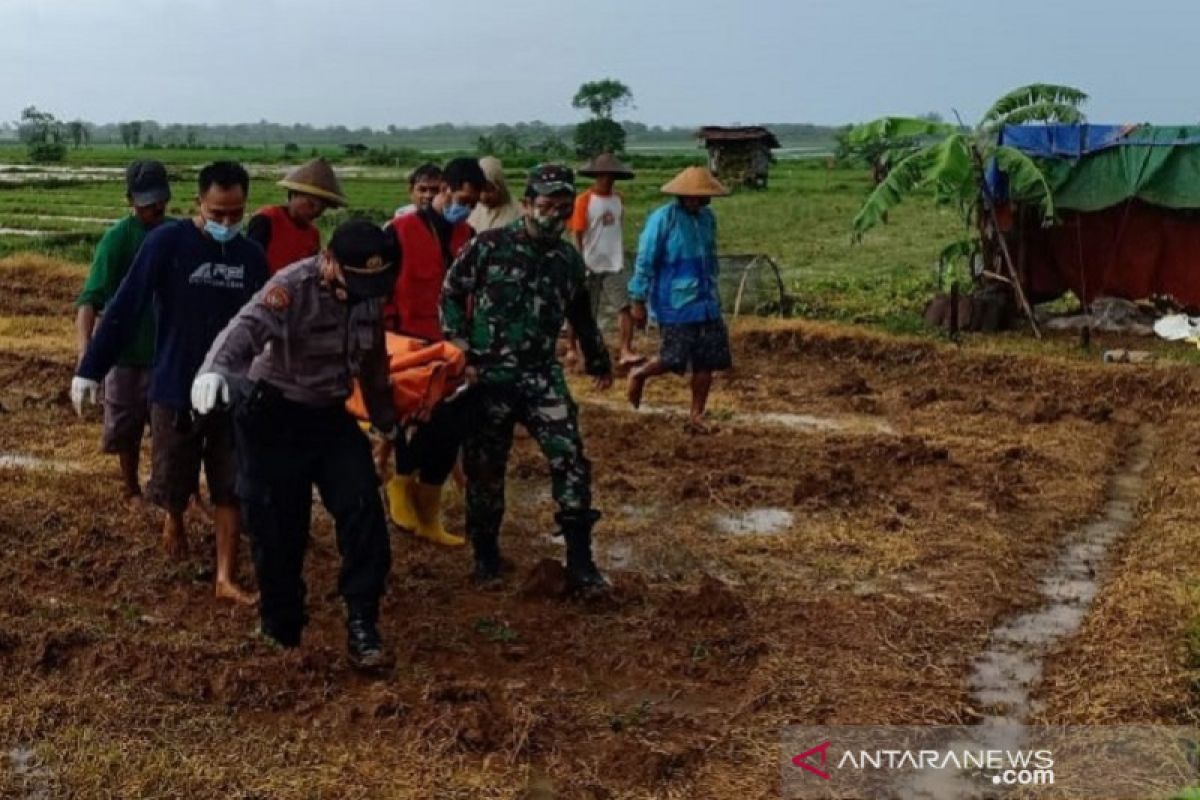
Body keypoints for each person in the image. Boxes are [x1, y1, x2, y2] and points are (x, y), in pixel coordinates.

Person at [191, 220, 398, 669]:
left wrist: (388, 421)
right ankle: (281, 628)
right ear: (328, 261)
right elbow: (241, 333)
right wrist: (213, 372)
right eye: (353, 279)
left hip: (329, 416)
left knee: (364, 511)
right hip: (274, 416)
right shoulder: (292, 288)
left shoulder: (370, 291)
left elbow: (374, 360)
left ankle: (363, 623)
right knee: (279, 529)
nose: (363, 291)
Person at [71, 161, 267, 605]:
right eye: (217, 213)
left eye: (235, 214)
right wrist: (91, 367)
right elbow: (127, 304)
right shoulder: (168, 243)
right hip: (176, 384)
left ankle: (224, 576)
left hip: (230, 391)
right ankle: (174, 517)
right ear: (198, 203)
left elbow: (268, 326)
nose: (226, 223)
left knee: (229, 483)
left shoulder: (251, 257)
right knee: (172, 474)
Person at [442, 164, 614, 592]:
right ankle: (485, 557)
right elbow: (450, 293)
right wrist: (459, 344)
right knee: (485, 470)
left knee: (570, 457)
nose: (553, 215)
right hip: (489, 377)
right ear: (528, 202)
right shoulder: (489, 246)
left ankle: (580, 560)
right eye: (545, 205)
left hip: (541, 376)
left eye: (561, 207)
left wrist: (598, 359)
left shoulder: (567, 261)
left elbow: (581, 315)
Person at [381, 158, 485, 546]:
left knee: (451, 428)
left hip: (452, 347)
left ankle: (429, 515)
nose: (465, 207)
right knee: (420, 421)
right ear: (443, 189)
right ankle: (400, 485)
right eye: (461, 198)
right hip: (410, 346)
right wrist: (389, 338)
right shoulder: (400, 231)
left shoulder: (468, 236)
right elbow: (383, 289)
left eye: (472, 202)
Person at [74, 160, 171, 502]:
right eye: (146, 201)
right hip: (126, 356)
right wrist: (87, 357)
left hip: (167, 355)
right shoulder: (116, 240)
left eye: (160, 199)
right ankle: (130, 489)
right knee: (126, 429)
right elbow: (90, 299)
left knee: (170, 433)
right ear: (130, 200)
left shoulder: (178, 234)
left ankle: (168, 495)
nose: (154, 208)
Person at [626, 166, 732, 432]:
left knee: (707, 360)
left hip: (706, 300)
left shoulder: (708, 219)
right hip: (675, 303)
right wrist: (638, 298)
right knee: (673, 358)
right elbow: (645, 259)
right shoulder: (663, 219)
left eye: (700, 197)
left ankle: (697, 415)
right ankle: (640, 373)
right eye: (690, 197)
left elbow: (711, 255)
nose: (695, 201)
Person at [567, 152, 643, 368]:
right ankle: (575, 349)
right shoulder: (583, 201)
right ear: (596, 176)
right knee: (582, 311)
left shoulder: (618, 200)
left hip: (614, 263)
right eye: (603, 176)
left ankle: (625, 350)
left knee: (623, 307)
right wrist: (579, 262)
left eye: (611, 176)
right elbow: (577, 234)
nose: (608, 180)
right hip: (589, 263)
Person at [247, 157, 347, 274]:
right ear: (294, 195)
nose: (316, 212)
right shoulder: (267, 219)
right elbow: (250, 262)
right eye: (311, 205)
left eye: (322, 209)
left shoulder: (313, 235)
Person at [466, 156, 521, 232]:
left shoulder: (518, 214)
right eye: (478, 190)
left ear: (500, 186)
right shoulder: (473, 212)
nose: (483, 197)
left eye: (489, 190)